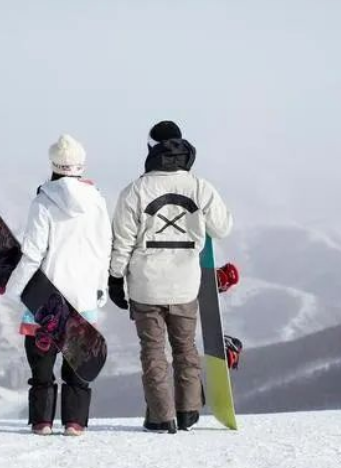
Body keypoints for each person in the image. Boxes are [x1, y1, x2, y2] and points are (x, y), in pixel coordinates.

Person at [108, 121, 233, 433]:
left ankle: (161, 417)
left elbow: (122, 241)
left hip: (145, 285)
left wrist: (114, 279)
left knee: (153, 352)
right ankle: (189, 411)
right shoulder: (200, 187)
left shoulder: (135, 190)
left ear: (151, 148)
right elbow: (223, 228)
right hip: (185, 284)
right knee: (185, 348)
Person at [10, 134, 111, 437]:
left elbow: (32, 253)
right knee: (79, 363)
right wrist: (100, 287)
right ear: (81, 166)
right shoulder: (97, 202)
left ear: (53, 164)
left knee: (42, 365)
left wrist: (16, 286)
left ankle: (42, 422)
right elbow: (103, 246)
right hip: (83, 294)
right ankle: (74, 423)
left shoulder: (43, 202)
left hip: (45, 296)